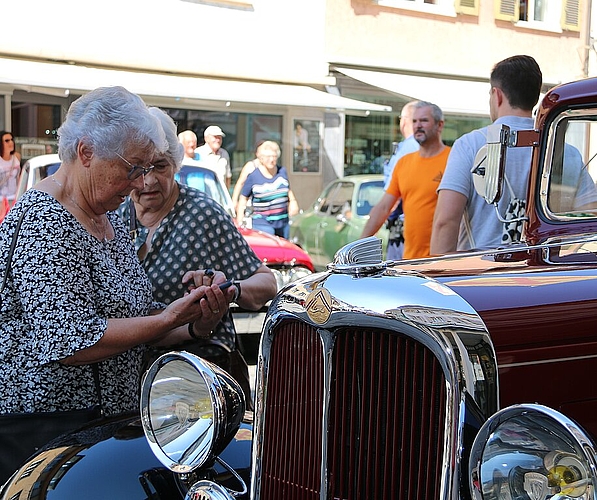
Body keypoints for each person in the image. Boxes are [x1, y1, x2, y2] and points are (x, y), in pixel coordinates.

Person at [0, 86, 233, 481]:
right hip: (45, 435)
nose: (139, 182)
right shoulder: (46, 220)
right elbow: (69, 340)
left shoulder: (103, 216)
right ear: (86, 152)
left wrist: (191, 319)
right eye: (133, 167)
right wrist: (164, 321)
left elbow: (131, 324)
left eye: (147, 168)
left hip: (96, 428)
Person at [121, 107, 277, 405]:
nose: (149, 181)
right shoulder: (114, 216)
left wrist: (228, 288)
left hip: (195, 385)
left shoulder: (202, 213)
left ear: (177, 164)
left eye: (161, 167)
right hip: (130, 385)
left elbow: (266, 283)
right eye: (139, 170)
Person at [430, 55, 543, 254]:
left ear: (497, 95)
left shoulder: (469, 145)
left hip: (482, 276)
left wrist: (441, 277)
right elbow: (587, 212)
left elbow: (445, 222)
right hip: (546, 275)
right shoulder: (562, 150)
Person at [361, 101, 449, 259]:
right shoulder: (404, 163)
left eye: (424, 120)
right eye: (414, 121)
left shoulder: (453, 159)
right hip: (410, 260)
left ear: (439, 125)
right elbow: (383, 208)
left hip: (443, 262)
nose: (418, 125)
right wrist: (359, 246)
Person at [236, 141, 299, 239]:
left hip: (282, 221)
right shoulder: (254, 176)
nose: (271, 160)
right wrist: (240, 221)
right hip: (262, 223)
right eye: (268, 157)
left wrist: (293, 202)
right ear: (261, 159)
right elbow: (243, 198)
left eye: (274, 156)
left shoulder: (282, 172)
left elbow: (287, 189)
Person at [383, 101, 420, 260]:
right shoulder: (422, 147)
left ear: (404, 120)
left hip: (403, 235)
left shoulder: (407, 149)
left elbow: (394, 196)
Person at [0, 131, 22, 212]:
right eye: (7, 141)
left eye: (11, 140)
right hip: (1, 199)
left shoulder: (16, 157)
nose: (11, 142)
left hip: (14, 198)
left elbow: (19, 177)